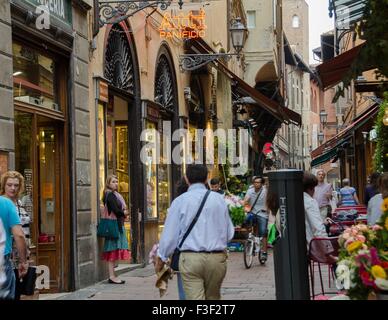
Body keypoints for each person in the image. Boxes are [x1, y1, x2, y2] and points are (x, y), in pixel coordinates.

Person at [155, 164, 234, 300]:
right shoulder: (219, 200)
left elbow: (170, 236)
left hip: (191, 259)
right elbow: (230, 233)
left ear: (186, 178)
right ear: (206, 179)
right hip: (217, 259)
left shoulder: (180, 201)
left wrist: (161, 257)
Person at [0, 171, 31, 300]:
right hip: (9, 255)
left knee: (18, 291)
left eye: (16, 185)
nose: (13, 188)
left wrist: (26, 254)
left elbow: (24, 230)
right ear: (3, 186)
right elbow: (18, 234)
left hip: (22, 252)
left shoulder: (20, 203)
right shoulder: (4, 203)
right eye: (9, 185)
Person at [101, 174, 130, 284]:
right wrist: (124, 213)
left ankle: (113, 275)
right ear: (108, 183)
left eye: (117, 181)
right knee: (112, 251)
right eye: (113, 181)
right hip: (114, 226)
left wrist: (122, 213)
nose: (116, 183)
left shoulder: (114, 195)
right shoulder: (110, 195)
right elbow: (116, 211)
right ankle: (112, 276)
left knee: (113, 251)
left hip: (116, 225)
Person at [243, 176, 269, 264]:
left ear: (262, 184)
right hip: (252, 212)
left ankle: (264, 252)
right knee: (246, 220)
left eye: (258, 182)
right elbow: (246, 200)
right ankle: (250, 238)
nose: (256, 184)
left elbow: (267, 201)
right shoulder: (250, 191)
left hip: (262, 213)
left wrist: (267, 208)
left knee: (263, 231)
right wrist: (245, 204)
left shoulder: (265, 191)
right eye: (255, 182)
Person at [303, 173, 330, 245]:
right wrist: (327, 248)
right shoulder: (310, 201)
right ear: (311, 188)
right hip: (309, 246)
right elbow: (319, 229)